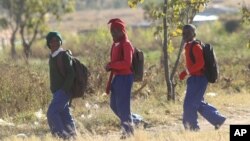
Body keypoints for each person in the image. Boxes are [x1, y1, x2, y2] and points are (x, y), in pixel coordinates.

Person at [179, 24, 226, 131]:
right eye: (183, 32)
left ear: (194, 34)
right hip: (195, 79)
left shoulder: (195, 46)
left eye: (188, 32)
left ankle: (192, 128)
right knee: (198, 102)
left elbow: (200, 64)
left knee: (189, 104)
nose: (185, 34)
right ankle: (217, 119)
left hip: (198, 79)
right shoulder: (188, 45)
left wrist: (185, 72)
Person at [105, 18, 137, 139]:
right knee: (114, 105)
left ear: (122, 31)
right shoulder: (115, 44)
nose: (113, 33)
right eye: (112, 30)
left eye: (116, 30)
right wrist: (110, 66)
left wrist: (111, 65)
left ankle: (128, 133)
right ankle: (134, 121)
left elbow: (126, 63)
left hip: (125, 78)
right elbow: (116, 62)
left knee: (123, 107)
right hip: (117, 78)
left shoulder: (126, 44)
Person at [46, 31, 77, 139]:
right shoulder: (52, 56)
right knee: (65, 114)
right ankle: (72, 137)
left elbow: (71, 73)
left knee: (52, 113)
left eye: (57, 40)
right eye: (52, 41)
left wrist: (64, 89)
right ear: (48, 43)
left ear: (60, 42)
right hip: (57, 92)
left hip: (63, 91)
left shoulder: (63, 55)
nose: (55, 43)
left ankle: (61, 136)